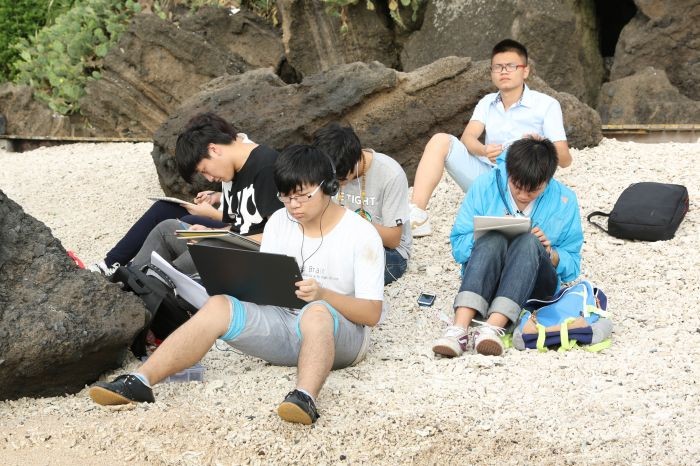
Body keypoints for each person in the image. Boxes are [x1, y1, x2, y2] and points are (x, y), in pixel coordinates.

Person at [89, 145, 385, 425]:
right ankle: (140, 381)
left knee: (317, 311)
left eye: (302, 196)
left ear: (329, 187)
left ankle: (304, 398)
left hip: (340, 337)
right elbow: (268, 285)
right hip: (285, 326)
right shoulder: (280, 221)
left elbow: (371, 314)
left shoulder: (361, 234)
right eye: (285, 197)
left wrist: (323, 294)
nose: (293, 206)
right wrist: (237, 283)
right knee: (219, 305)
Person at [431, 137, 582, 358]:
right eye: (517, 187)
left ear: (548, 181)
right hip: (487, 283)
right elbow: (459, 247)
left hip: (535, 289)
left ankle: (492, 328)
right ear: (508, 173)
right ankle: (458, 329)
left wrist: (550, 253)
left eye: (533, 191)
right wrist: (490, 230)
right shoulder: (485, 186)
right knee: (493, 236)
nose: (523, 196)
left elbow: (573, 265)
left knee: (529, 241)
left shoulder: (564, 200)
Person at [409, 39, 573, 237]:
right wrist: (484, 150)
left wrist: (539, 145)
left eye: (511, 66)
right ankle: (417, 215)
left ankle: (514, 215)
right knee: (440, 140)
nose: (504, 71)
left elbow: (565, 160)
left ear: (525, 71)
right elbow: (468, 138)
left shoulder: (546, 105)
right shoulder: (487, 102)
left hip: (524, 183)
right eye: (498, 67)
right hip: (487, 178)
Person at [88, 112, 279, 275]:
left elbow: (280, 237)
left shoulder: (265, 167)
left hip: (250, 257)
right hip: (233, 243)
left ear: (213, 149)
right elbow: (241, 225)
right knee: (167, 228)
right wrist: (214, 231)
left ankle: (150, 283)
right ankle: (128, 276)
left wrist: (217, 234)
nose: (209, 178)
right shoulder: (232, 168)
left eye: (205, 170)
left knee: (207, 247)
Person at [312, 122, 411, 285]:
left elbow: (394, 239)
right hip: (340, 245)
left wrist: (350, 220)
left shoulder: (390, 174)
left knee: (337, 274)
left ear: (356, 161)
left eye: (341, 179)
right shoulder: (327, 170)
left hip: (389, 252)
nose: (335, 184)